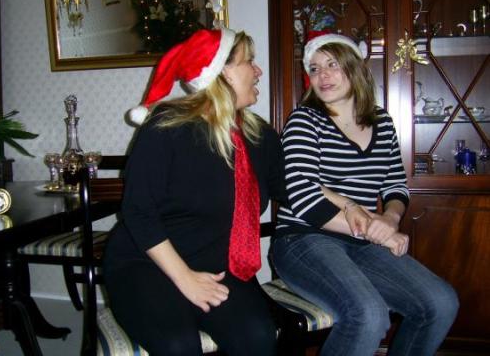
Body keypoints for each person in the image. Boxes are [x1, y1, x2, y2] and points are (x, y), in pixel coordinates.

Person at [271, 32, 459, 356]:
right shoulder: (305, 120)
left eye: (332, 64)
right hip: (302, 239)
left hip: (360, 242)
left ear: (355, 68)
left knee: (440, 303)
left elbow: (395, 184)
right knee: (368, 315)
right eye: (314, 68)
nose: (322, 75)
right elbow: (301, 195)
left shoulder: (382, 121)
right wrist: (374, 231)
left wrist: (390, 218)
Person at [102, 28, 285, 356]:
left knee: (258, 337)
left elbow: (295, 191)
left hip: (218, 267)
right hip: (146, 263)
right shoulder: (168, 126)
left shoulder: (261, 137)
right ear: (222, 73)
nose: (258, 70)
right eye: (250, 61)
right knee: (178, 345)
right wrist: (185, 278)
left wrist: (354, 211)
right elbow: (138, 211)